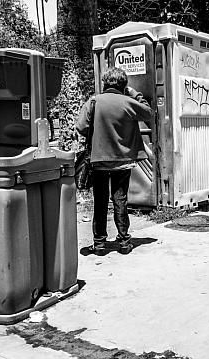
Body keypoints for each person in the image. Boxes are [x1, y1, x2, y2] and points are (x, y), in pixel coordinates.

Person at [76, 67, 152, 249]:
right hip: (123, 161)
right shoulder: (128, 102)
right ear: (124, 85)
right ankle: (124, 241)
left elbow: (81, 127)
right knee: (120, 198)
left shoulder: (94, 101)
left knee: (100, 200)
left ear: (105, 83)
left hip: (99, 160)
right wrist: (135, 94)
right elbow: (149, 113)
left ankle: (99, 243)